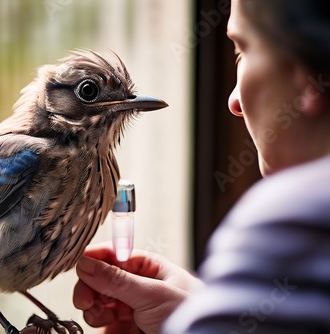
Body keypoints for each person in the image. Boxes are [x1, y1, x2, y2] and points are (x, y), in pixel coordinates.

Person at [73, 0, 330, 333]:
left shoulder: (295, 220)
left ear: (309, 74)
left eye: (243, 52)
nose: (233, 101)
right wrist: (205, 307)